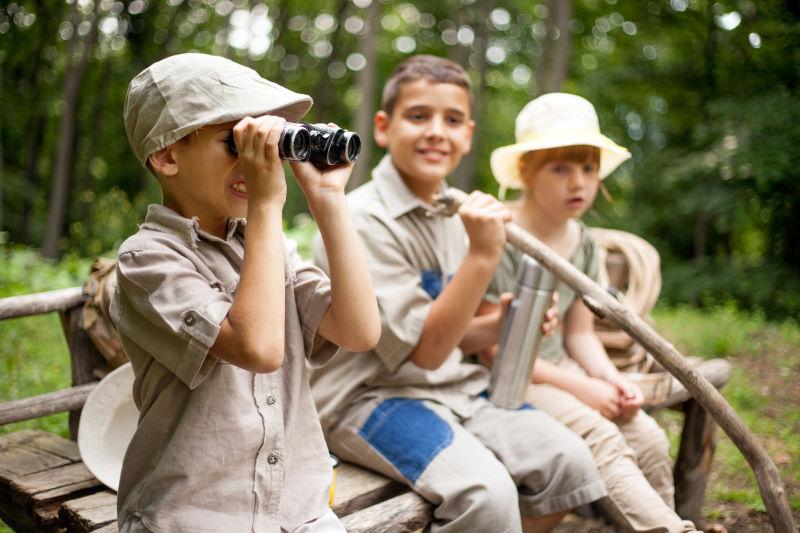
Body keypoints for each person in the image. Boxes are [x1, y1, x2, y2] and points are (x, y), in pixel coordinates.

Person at [310, 55, 606, 533]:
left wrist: (499, 323)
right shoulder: (361, 219)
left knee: (569, 463)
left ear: (468, 135)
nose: (436, 132)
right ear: (383, 128)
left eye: (451, 120)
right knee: (487, 497)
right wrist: (483, 257)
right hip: (369, 399)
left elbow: (451, 336)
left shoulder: (456, 212)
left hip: (453, 387)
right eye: (418, 116)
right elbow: (425, 350)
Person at [111, 53, 380, 532]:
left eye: (267, 141)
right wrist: (265, 205)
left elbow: (360, 331)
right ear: (167, 155)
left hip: (298, 510)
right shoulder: (146, 260)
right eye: (236, 142)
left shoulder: (265, 247)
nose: (258, 159)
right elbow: (257, 348)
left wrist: (329, 200)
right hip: (197, 515)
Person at [483, 92, 699, 533]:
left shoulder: (582, 242)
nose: (578, 182)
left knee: (648, 437)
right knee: (601, 437)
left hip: (559, 369)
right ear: (526, 172)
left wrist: (611, 379)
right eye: (559, 168)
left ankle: (665, 520)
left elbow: (580, 334)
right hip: (507, 380)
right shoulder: (499, 236)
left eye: (588, 168)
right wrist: (582, 388)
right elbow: (491, 350)